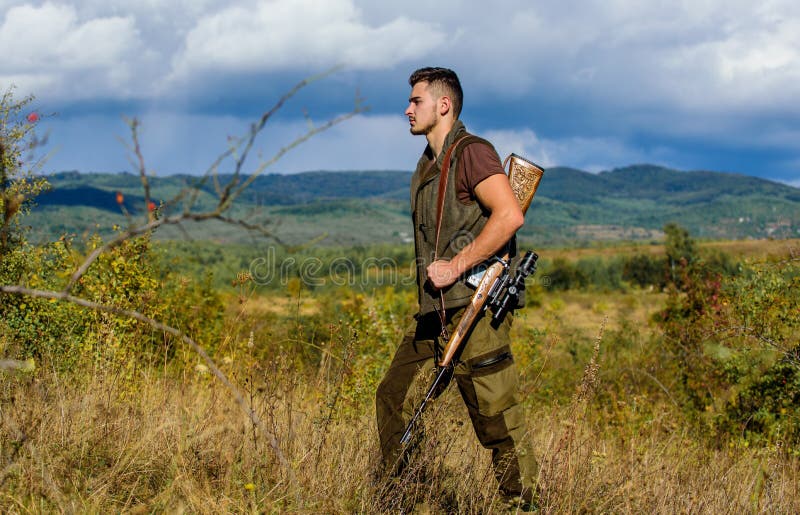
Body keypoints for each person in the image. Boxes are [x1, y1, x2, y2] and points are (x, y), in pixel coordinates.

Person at [375, 67, 538, 505]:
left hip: (475, 310)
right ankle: (406, 497)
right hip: (434, 313)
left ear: (442, 105)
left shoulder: (473, 152)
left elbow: (510, 215)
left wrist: (456, 266)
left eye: (416, 101)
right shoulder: (428, 163)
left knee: (496, 420)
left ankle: (523, 504)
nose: (407, 109)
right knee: (394, 396)